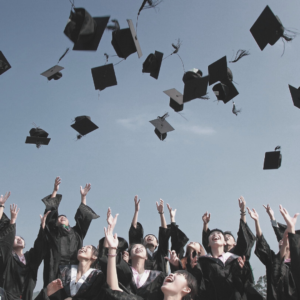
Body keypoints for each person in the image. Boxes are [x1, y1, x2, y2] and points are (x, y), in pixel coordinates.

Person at [104, 216, 198, 300]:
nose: (171, 274)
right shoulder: (126, 271)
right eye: (136, 248)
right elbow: (115, 289)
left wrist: (163, 214)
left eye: (179, 274)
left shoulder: (160, 274)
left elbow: (164, 239)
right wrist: (112, 249)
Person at [42, 177, 100, 287]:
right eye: (59, 218)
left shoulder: (77, 233)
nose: (62, 217)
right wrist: (55, 191)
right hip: (55, 270)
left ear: (69, 221)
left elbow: (82, 218)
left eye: (64, 217)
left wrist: (83, 197)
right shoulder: (53, 232)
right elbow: (50, 214)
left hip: (74, 271)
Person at [168, 228, 250, 300]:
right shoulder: (201, 261)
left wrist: (241, 270)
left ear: (225, 242)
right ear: (208, 244)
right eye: (212, 234)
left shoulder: (234, 259)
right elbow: (196, 286)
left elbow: (241, 286)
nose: (215, 235)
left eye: (218, 233)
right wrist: (190, 269)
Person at [0, 193, 49, 300]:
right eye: (15, 238)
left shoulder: (30, 257)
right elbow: (4, 242)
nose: (18, 239)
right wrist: (12, 221)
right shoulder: (8, 258)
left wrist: (43, 227)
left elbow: (39, 247)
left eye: (21, 238)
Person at [248, 205, 299, 300]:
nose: (281, 240)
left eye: (285, 239)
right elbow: (262, 241)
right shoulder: (272, 260)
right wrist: (256, 221)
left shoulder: (296, 263)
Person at [129, 195, 171, 272]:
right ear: (143, 243)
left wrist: (161, 213)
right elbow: (133, 232)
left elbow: (164, 233)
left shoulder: (161, 255)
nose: (150, 237)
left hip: (159, 282)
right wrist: (136, 211)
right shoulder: (138, 253)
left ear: (157, 244)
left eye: (153, 237)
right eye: (147, 237)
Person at [167, 203, 205, 269]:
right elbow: (175, 242)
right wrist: (172, 219)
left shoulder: (204, 261)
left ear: (200, 250)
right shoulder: (182, 259)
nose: (192, 242)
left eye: (196, 243)